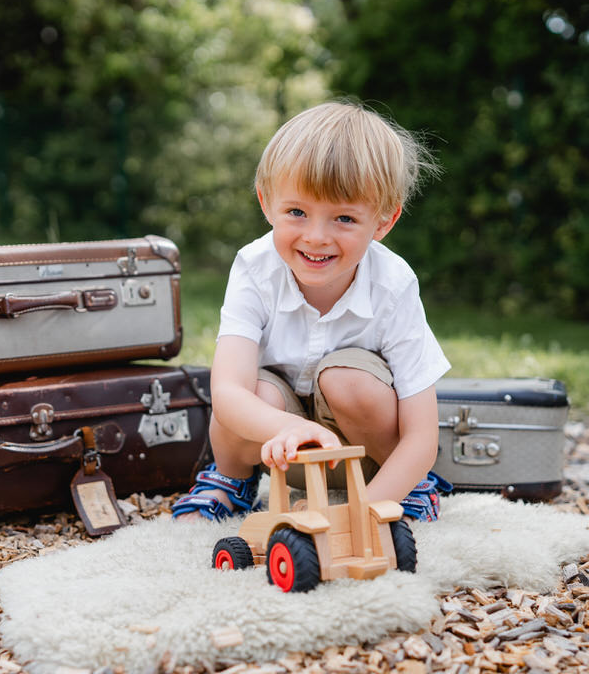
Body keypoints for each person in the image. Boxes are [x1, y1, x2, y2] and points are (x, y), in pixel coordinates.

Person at [172, 101, 452, 523]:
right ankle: (231, 480)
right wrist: (287, 428)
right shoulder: (254, 267)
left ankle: (409, 488)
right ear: (267, 204)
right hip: (282, 447)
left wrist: (365, 514)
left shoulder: (393, 283)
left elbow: (421, 435)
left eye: (343, 217)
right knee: (254, 393)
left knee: (349, 379)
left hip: (366, 457)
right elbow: (227, 394)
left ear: (383, 222)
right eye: (297, 212)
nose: (316, 237)